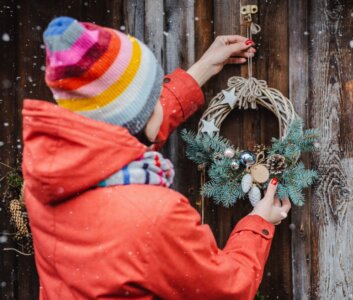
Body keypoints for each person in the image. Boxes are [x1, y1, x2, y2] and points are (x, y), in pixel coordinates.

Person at [22, 16, 291, 299]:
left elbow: (124, 131)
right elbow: (229, 289)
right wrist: (259, 222)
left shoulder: (45, 180)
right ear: (137, 117)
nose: (157, 105)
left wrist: (204, 67)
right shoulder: (153, 216)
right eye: (152, 99)